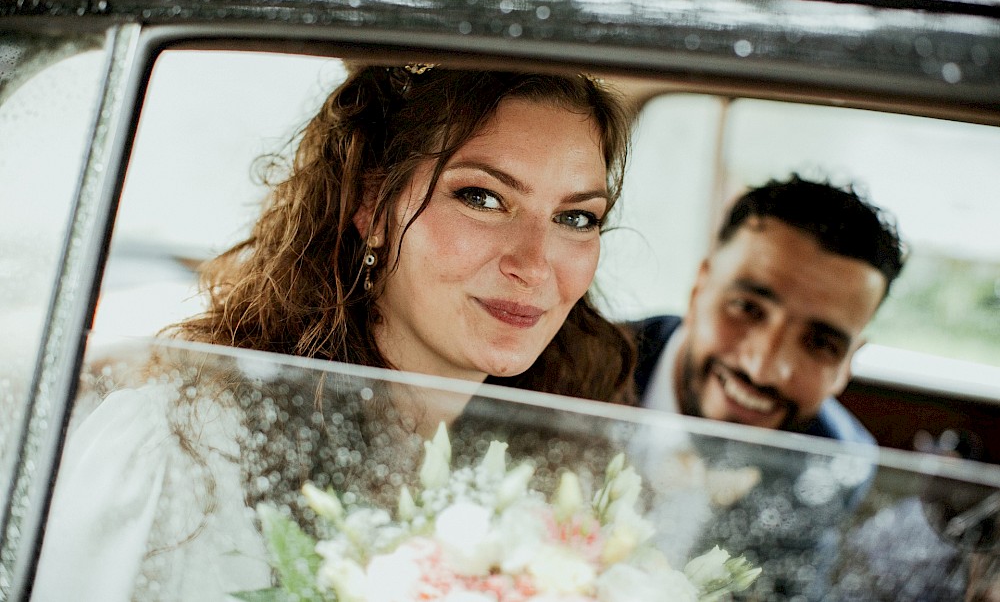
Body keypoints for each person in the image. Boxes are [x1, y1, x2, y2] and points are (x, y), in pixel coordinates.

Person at [31, 64, 637, 602]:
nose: (533, 265)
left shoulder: (565, 483)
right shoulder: (182, 448)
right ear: (373, 207)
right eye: (481, 197)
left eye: (575, 218)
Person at [628, 175, 906, 599]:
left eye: (821, 343)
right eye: (747, 308)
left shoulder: (834, 462)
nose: (764, 369)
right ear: (699, 287)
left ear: (849, 361)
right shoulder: (571, 365)